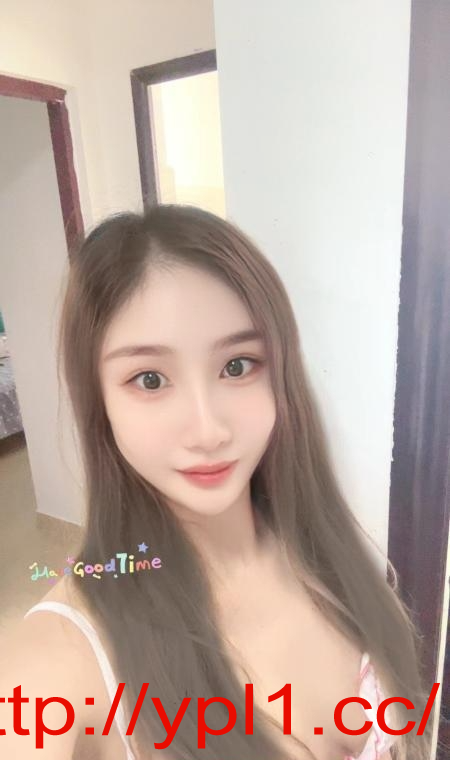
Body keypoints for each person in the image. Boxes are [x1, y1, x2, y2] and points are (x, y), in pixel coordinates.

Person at [0, 204, 433, 760]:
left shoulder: (328, 554)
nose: (208, 431)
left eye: (237, 365)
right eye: (150, 379)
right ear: (99, 402)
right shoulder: (60, 662)